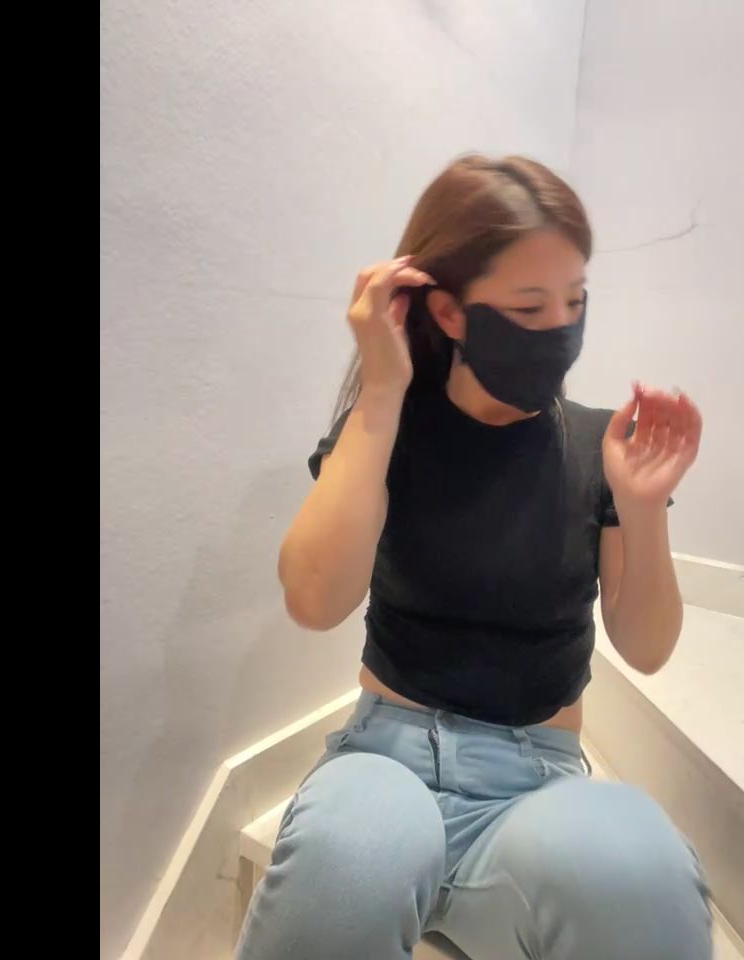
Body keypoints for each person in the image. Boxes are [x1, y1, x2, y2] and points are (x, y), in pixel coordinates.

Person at [236, 155, 711, 959]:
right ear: (451, 313)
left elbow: (648, 646)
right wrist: (380, 393)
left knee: (643, 868)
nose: (560, 326)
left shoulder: (597, 444)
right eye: (530, 306)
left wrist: (640, 507)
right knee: (350, 856)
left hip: (539, 785)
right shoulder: (387, 428)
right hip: (386, 760)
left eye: (575, 300)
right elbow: (314, 600)